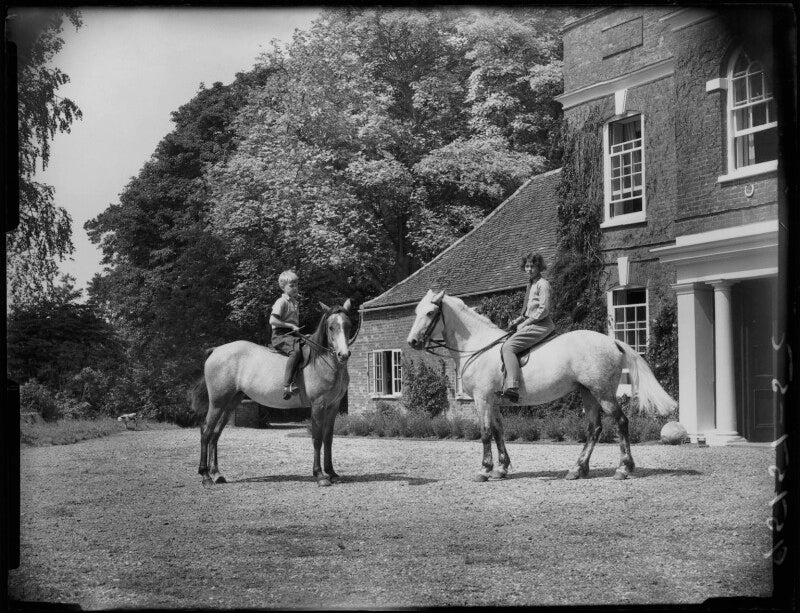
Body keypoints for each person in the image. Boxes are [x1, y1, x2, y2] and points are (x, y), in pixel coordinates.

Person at [496, 252, 555, 403]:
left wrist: (525, 324)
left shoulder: (543, 284)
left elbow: (544, 310)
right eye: (527, 266)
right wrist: (516, 321)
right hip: (532, 322)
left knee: (508, 347)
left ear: (539, 267)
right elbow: (529, 311)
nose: (529, 269)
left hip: (541, 325)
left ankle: (513, 387)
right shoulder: (531, 284)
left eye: (532, 266)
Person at [270, 270, 304, 400]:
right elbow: (272, 321)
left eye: (296, 284)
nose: (295, 288)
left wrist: (299, 333)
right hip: (280, 336)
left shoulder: (295, 303)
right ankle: (287, 385)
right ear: (283, 287)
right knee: (295, 352)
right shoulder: (282, 302)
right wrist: (290, 326)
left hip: (292, 335)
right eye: (292, 285)